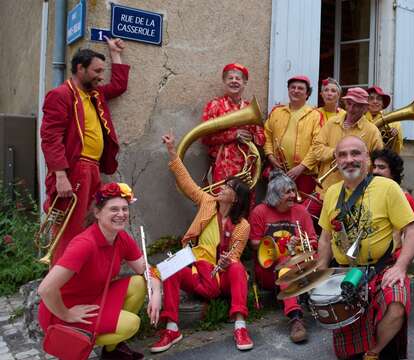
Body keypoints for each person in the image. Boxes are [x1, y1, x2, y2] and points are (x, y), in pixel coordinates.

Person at [317, 136, 414, 360]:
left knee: (396, 304)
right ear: (336, 160)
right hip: (345, 273)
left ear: (367, 158)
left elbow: (413, 232)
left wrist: (401, 266)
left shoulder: (388, 187)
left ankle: (374, 352)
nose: (349, 159)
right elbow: (325, 239)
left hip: (381, 268)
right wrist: (320, 272)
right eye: (342, 155)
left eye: (355, 153)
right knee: (347, 354)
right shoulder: (332, 193)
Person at [149, 133, 254, 352]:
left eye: (228, 187)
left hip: (221, 276)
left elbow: (235, 255)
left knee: (236, 267)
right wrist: (172, 151)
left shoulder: (242, 225)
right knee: (171, 269)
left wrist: (227, 261)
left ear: (235, 198)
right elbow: (187, 183)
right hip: (198, 269)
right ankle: (171, 328)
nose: (221, 188)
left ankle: (240, 325)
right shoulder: (208, 202)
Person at [40, 38, 129, 265]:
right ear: (80, 68)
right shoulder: (61, 95)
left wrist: (115, 53)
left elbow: (119, 86)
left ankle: (82, 276)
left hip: (94, 169)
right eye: (97, 71)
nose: (101, 76)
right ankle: (61, 284)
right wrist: (60, 175)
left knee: (92, 223)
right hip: (75, 169)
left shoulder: (95, 95)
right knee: (70, 228)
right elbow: (50, 138)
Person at [38, 183, 147, 359]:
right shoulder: (85, 244)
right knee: (132, 324)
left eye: (124, 209)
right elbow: (45, 289)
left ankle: (112, 351)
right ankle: (80, 342)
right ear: (97, 213)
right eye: (114, 209)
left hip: (95, 299)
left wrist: (156, 290)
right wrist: (67, 313)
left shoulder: (121, 237)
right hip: (63, 310)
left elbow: (143, 270)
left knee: (139, 283)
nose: (121, 214)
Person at [248, 170, 318, 343]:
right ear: (275, 195)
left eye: (293, 190)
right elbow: (254, 243)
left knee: (290, 262)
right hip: (268, 270)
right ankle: (296, 318)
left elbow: (313, 241)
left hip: (298, 266)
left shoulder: (301, 211)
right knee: (285, 261)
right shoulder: (260, 211)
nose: (293, 195)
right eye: (288, 192)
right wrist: (280, 245)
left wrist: (299, 245)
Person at [200, 63, 265, 189]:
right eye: (230, 78)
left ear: (244, 83)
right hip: (222, 167)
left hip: (247, 169)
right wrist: (233, 135)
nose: (234, 81)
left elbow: (262, 139)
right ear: (224, 82)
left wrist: (251, 136)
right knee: (223, 206)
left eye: (238, 78)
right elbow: (205, 138)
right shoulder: (214, 105)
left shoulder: (249, 107)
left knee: (244, 206)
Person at [313, 87, 384, 192]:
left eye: (357, 106)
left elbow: (377, 161)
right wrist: (335, 153)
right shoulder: (331, 123)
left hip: (355, 190)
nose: (351, 109)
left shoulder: (372, 131)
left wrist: (355, 161)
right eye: (349, 103)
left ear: (365, 108)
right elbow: (316, 149)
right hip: (326, 187)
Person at [264, 75, 323, 195]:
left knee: (300, 209)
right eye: (292, 87)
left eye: (300, 88)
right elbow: (267, 137)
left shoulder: (315, 115)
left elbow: (317, 145)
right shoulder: (276, 112)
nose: (295, 90)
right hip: (278, 171)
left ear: (307, 94)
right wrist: (270, 156)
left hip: (304, 174)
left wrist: (301, 167)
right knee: (276, 206)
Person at [370, 148, 414, 251]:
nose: (376, 171)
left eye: (381, 167)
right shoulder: (369, 194)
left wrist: (399, 261)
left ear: (393, 172)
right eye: (374, 167)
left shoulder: (406, 199)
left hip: (391, 261)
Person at [365, 86, 403, 154]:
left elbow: (397, 151)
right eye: (371, 98)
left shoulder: (394, 123)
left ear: (383, 103)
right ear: (366, 102)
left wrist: (395, 138)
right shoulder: (360, 120)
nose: (375, 101)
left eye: (379, 99)